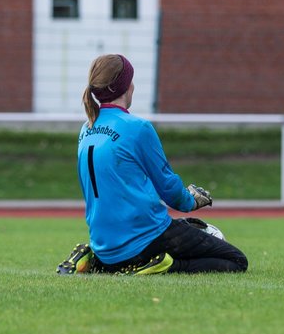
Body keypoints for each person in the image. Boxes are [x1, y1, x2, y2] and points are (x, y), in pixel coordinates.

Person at [56, 54, 248, 275]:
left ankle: (97, 261)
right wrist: (191, 201)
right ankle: (159, 266)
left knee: (182, 230)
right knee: (236, 260)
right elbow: (168, 188)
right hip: (143, 237)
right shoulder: (137, 127)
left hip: (105, 246)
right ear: (127, 85)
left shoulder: (86, 128)